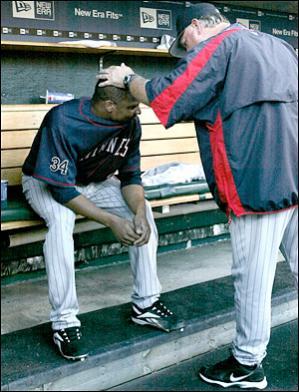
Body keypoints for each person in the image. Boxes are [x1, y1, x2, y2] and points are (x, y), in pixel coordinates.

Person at [97, 2, 298, 389]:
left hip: (256, 182)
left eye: (184, 42)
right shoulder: (277, 46)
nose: (186, 51)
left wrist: (126, 79)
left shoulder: (219, 46)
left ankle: (247, 365)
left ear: (196, 27)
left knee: (253, 279)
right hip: (294, 172)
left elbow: (167, 94)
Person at [22, 82, 181, 361]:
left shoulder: (130, 123)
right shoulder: (64, 119)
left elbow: (130, 177)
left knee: (141, 217)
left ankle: (146, 304)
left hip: (95, 183)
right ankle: (64, 322)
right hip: (45, 181)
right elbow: (62, 190)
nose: (139, 112)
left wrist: (141, 211)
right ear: (110, 106)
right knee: (61, 222)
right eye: (133, 106)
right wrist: (111, 221)